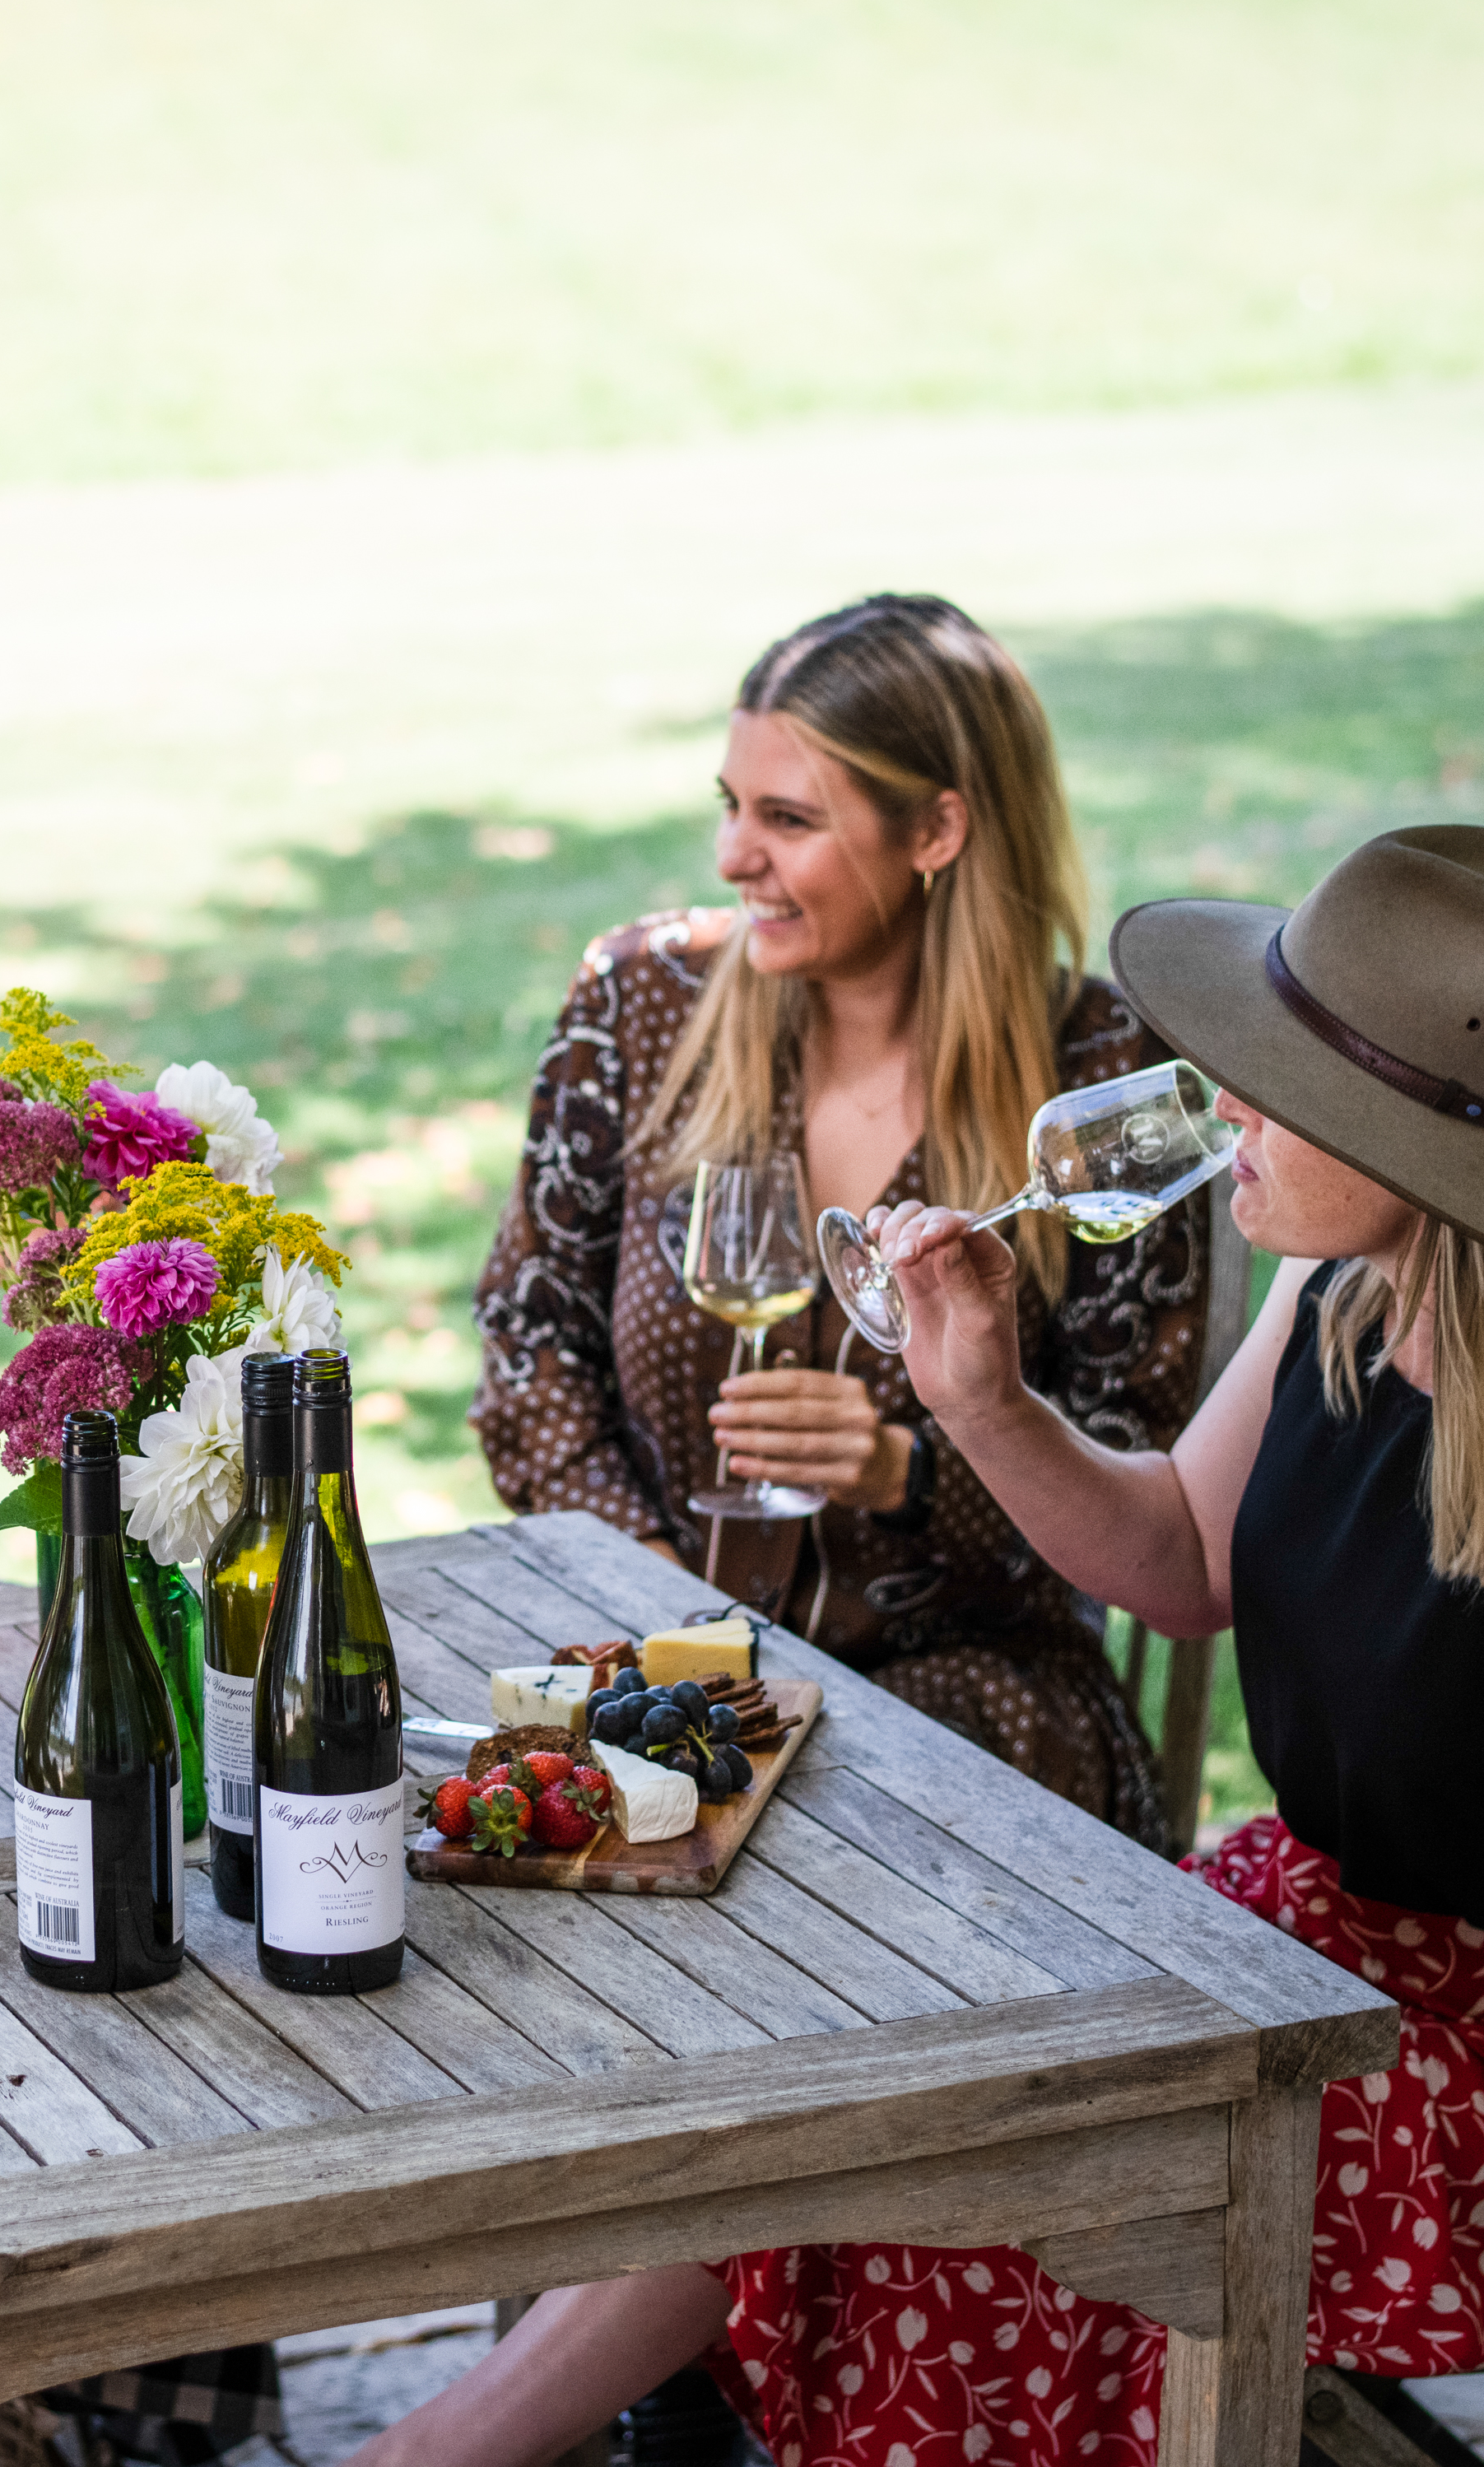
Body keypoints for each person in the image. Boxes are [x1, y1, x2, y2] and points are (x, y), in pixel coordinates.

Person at [366, 826, 1484, 2467]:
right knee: (853, 2082)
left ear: (1423, 1149)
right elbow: (1178, 1560)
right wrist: (980, 1396)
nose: (1218, 1098)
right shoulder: (1342, 1297)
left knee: (959, 2194)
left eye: (1273, 1078)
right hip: (1299, 1955)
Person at [472, 593, 1208, 1853]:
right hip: (661, 1699)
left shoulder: (1101, 1076)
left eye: (789, 819)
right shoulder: (640, 1004)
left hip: (968, 1724)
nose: (731, 857)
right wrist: (662, 1617)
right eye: (731, 802)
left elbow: (1156, 1500)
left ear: (937, 829)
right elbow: (530, 1342)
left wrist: (908, 1474)